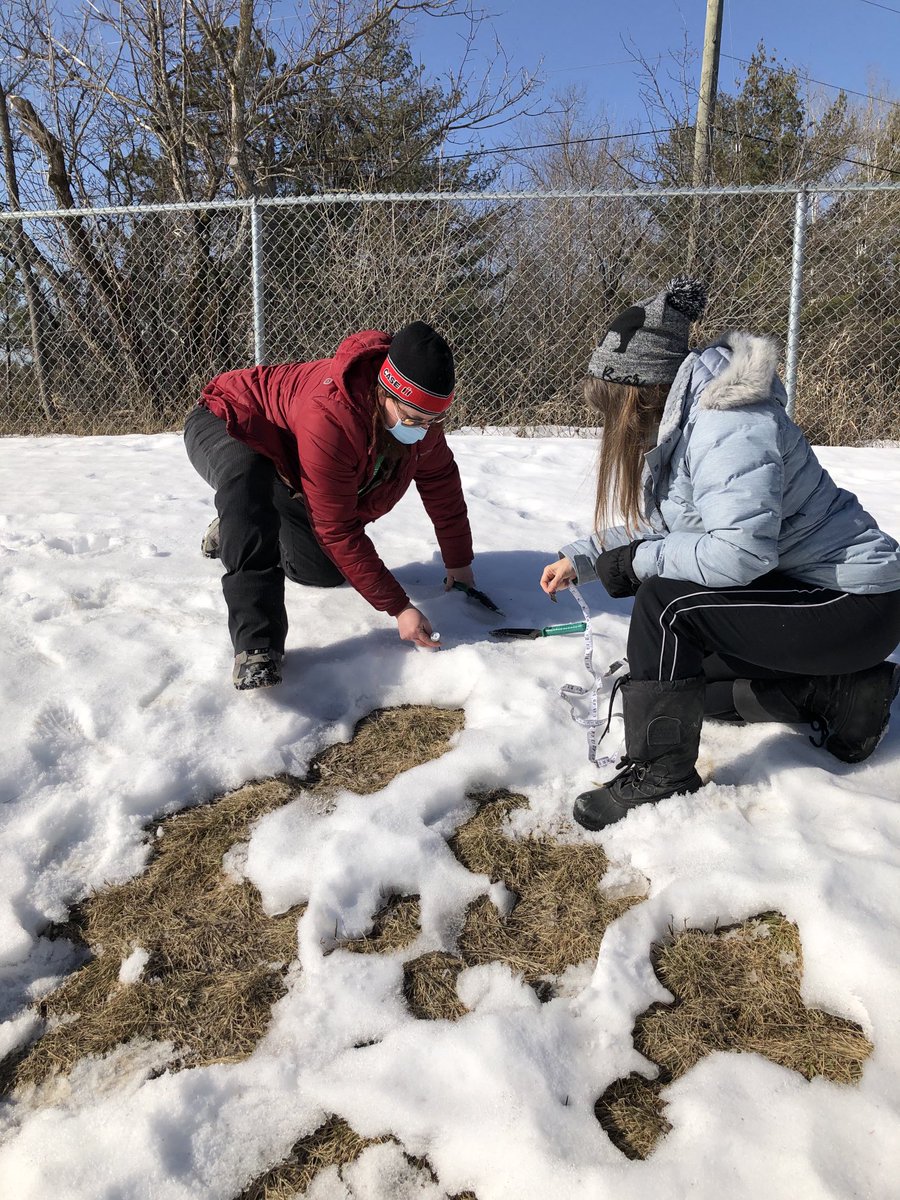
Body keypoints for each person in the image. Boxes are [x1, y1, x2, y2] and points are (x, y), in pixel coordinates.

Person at [541, 279, 900, 831]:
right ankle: (840, 692)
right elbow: (671, 524)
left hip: (856, 602)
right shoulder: (687, 423)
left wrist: (639, 564)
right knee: (678, 680)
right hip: (813, 599)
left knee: (667, 606)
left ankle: (663, 772)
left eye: (610, 410)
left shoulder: (726, 422)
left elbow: (738, 555)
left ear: (637, 394)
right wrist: (584, 558)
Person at [184, 321, 475, 689]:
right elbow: (338, 529)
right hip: (228, 417)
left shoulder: (417, 421)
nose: (422, 429)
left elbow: (441, 484)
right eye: (414, 419)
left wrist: (459, 563)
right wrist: (400, 607)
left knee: (320, 571)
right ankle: (256, 646)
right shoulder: (331, 415)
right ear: (385, 392)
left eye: (433, 421)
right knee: (247, 483)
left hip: (289, 459)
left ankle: (246, 519)